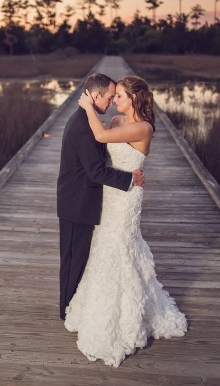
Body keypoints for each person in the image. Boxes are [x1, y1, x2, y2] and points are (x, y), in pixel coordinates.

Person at [64, 75, 187, 367]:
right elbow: (101, 151)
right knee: (104, 245)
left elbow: (101, 137)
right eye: (113, 96)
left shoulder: (144, 127)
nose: (114, 101)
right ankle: (95, 308)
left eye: (119, 96)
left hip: (128, 197)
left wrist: (88, 108)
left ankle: (127, 318)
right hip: (112, 191)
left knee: (121, 246)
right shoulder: (118, 122)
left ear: (133, 99)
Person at [56, 73, 145, 322]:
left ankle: (72, 306)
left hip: (79, 200)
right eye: (109, 97)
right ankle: (66, 312)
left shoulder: (87, 119)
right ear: (95, 96)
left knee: (78, 257)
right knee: (73, 260)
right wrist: (130, 179)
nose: (111, 102)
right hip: (76, 203)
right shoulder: (84, 126)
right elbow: (96, 171)